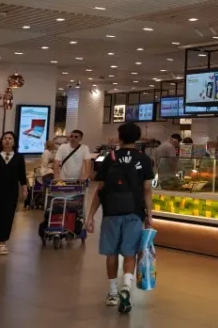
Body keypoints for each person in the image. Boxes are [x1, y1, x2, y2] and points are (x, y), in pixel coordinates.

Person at [86, 123, 154, 314]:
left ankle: (113, 292)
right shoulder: (144, 159)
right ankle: (126, 287)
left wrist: (90, 215)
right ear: (137, 138)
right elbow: (147, 189)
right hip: (134, 212)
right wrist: (149, 214)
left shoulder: (111, 157)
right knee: (130, 253)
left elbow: (100, 189)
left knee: (112, 252)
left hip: (111, 212)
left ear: (120, 137)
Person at [0, 131, 28, 255]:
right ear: (1, 141)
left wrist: (24, 189)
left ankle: (2, 242)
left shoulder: (19, 157)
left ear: (14, 142)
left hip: (11, 191)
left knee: (7, 216)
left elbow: (22, 175)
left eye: (10, 138)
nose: (7, 140)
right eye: (5, 138)